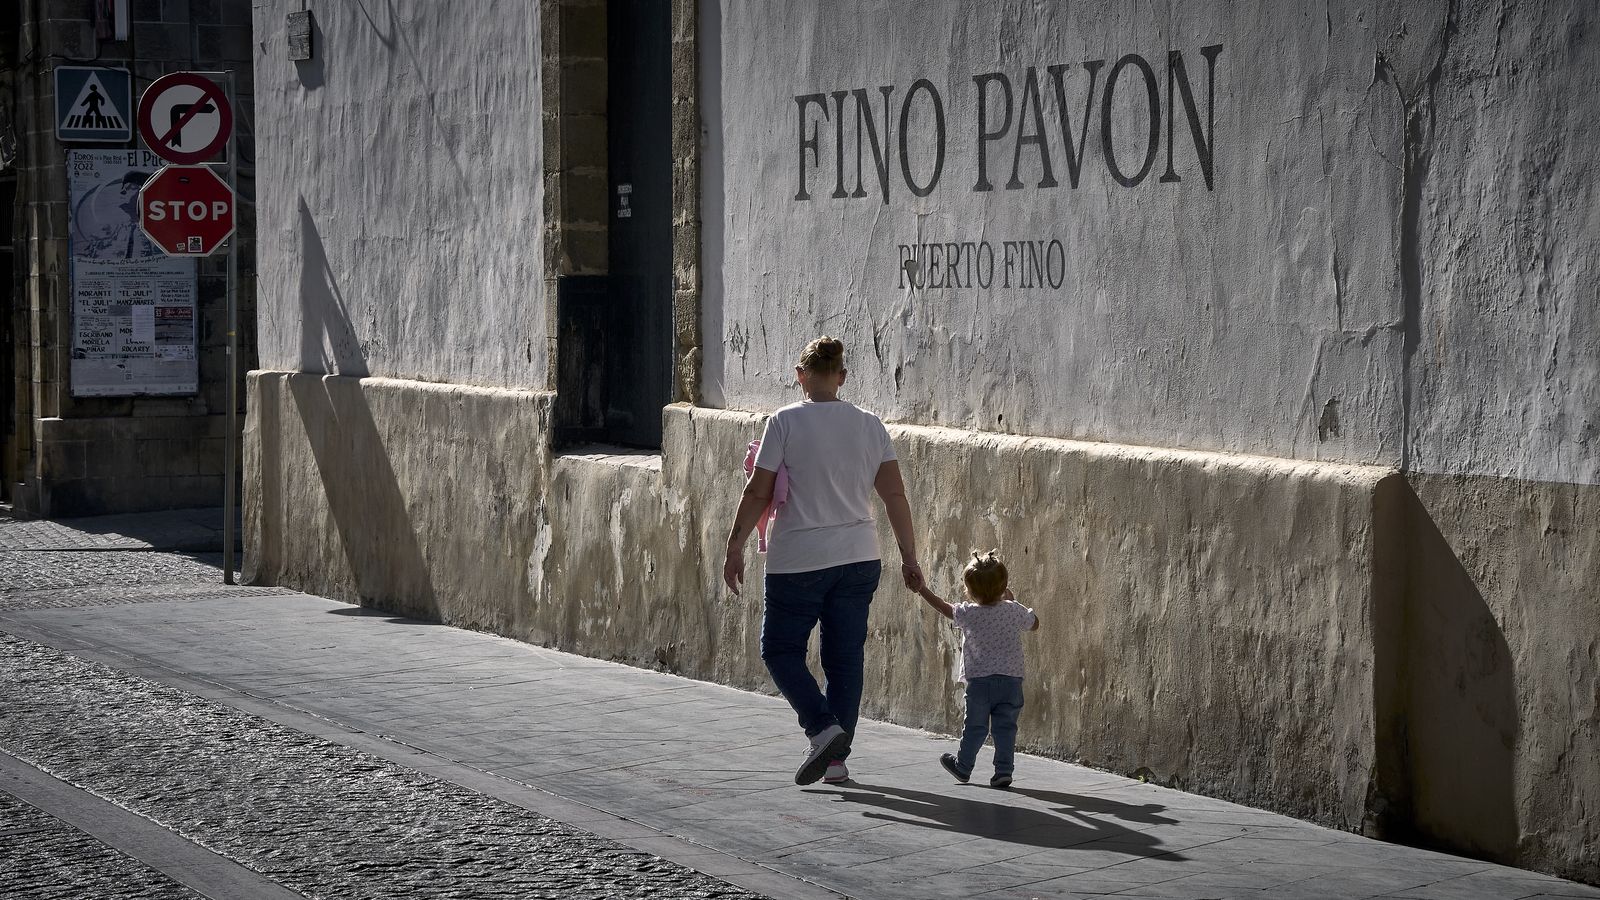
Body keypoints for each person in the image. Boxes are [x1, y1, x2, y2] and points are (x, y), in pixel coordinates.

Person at [724, 336, 923, 786]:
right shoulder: (870, 425)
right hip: (859, 556)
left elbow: (758, 490)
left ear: (800, 375)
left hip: (798, 558)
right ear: (842, 377)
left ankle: (821, 727)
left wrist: (734, 545)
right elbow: (894, 495)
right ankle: (836, 759)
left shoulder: (784, 422)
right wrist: (910, 557)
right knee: (845, 658)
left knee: (778, 649)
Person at [914, 550, 1039, 789]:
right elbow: (1035, 624)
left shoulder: (968, 613)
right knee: (1005, 727)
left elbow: (942, 606)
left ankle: (963, 766)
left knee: (975, 727)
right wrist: (1013, 601)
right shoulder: (1013, 610)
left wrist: (922, 589)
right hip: (1011, 681)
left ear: (969, 590)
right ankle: (1003, 771)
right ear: (1004, 585)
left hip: (980, 682)